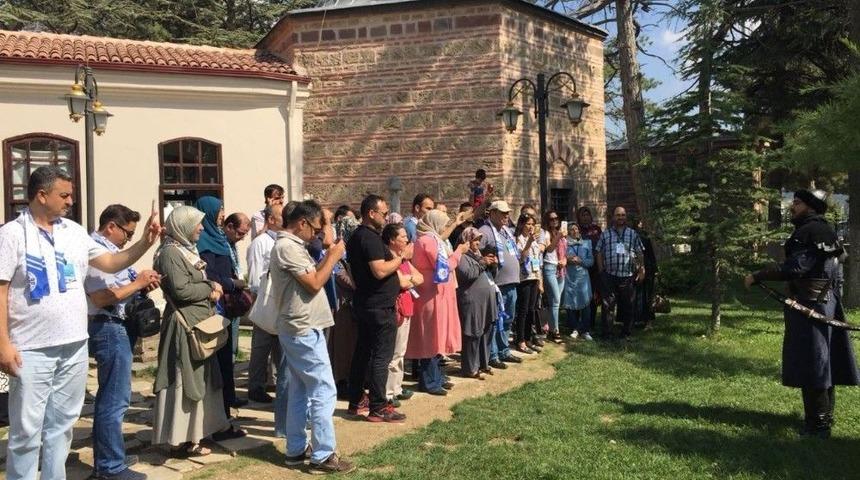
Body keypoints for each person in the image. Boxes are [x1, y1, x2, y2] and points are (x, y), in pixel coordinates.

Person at [0, 166, 161, 480]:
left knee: (61, 425)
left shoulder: (73, 232)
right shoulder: (11, 234)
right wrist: (3, 343)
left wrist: (145, 242)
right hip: (31, 348)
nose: (70, 200)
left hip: (74, 343)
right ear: (41, 195)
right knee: (26, 431)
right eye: (64, 195)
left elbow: (112, 261)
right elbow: (1, 289)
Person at [744, 189, 860, 439]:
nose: (792, 207)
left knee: (815, 362)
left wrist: (758, 276)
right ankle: (823, 419)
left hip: (811, 305)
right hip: (821, 302)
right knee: (822, 362)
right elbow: (838, 261)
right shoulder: (822, 229)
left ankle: (818, 426)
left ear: (810, 205)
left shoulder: (812, 230)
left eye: (797, 203)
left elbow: (798, 267)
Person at [151, 205, 245, 456]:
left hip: (198, 325)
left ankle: (197, 433)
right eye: (196, 224)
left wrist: (208, 285)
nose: (201, 228)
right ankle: (180, 440)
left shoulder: (185, 251)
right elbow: (180, 290)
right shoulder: (170, 254)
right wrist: (210, 287)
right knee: (184, 381)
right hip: (184, 328)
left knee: (201, 381)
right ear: (183, 226)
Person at [270, 200, 355, 474]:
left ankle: (296, 449)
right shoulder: (286, 247)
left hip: (302, 327)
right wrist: (333, 254)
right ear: (302, 223)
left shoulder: (294, 246)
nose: (318, 234)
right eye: (316, 229)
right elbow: (314, 282)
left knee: (300, 391)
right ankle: (323, 455)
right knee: (323, 390)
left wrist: (328, 235)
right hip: (301, 329)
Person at [85, 205, 162, 480]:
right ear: (111, 227)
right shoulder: (95, 251)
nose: (128, 240)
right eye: (127, 234)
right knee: (114, 400)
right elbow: (101, 297)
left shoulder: (113, 253)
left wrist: (143, 283)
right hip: (108, 327)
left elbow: (125, 282)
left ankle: (109, 458)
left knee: (115, 398)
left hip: (120, 327)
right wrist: (137, 282)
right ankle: (110, 467)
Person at [346, 194, 408, 422]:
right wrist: (400, 259)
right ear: (371, 213)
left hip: (366, 303)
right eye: (383, 213)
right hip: (379, 307)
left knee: (363, 352)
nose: (385, 217)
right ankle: (378, 406)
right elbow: (380, 270)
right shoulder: (369, 238)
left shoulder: (358, 237)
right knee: (381, 356)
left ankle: (356, 400)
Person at [194, 197, 248, 415]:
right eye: (219, 211)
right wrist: (231, 283)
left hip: (226, 306)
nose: (222, 214)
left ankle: (227, 404)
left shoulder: (218, 238)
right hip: (213, 307)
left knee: (227, 357)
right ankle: (218, 412)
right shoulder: (203, 241)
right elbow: (209, 273)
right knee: (217, 360)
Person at [407, 210, 468, 394]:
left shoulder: (432, 238)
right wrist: (459, 252)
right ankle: (430, 381)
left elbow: (442, 236)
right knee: (431, 337)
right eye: (441, 223)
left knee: (438, 336)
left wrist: (455, 223)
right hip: (430, 296)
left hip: (438, 295)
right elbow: (443, 266)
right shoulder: (427, 241)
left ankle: (437, 377)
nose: (443, 227)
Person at [245, 204, 285, 404]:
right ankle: (256, 386)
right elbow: (254, 274)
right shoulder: (260, 242)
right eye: (280, 216)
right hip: (264, 298)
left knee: (280, 347)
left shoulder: (283, 241)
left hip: (281, 301)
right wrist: (256, 296)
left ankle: (277, 382)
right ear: (270, 219)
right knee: (261, 347)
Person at [477, 200, 523, 369]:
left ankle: (504, 350)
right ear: (493, 213)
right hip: (497, 284)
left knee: (508, 319)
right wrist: (484, 260)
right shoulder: (485, 231)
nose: (506, 216)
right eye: (503, 213)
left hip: (511, 282)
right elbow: (474, 250)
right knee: (496, 320)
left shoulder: (505, 231)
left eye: (507, 213)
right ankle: (493, 354)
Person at [382, 223, 423, 407]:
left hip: (407, 307)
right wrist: (408, 281)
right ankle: (389, 392)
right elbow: (402, 283)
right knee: (394, 353)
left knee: (401, 352)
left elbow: (419, 278)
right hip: (396, 310)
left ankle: (397, 387)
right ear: (392, 240)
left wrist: (409, 280)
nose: (407, 240)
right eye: (403, 237)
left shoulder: (403, 260)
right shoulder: (390, 259)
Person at [595, 206, 645, 339]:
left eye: (623, 215)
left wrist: (641, 270)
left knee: (628, 305)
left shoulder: (632, 234)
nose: (621, 217)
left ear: (626, 217)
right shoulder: (606, 234)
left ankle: (626, 333)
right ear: (613, 217)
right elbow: (599, 251)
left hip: (627, 275)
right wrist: (601, 270)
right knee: (607, 305)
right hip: (609, 275)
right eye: (618, 215)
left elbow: (640, 252)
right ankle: (607, 333)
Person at [455, 227, 498, 379]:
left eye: (479, 240)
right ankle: (470, 368)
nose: (478, 243)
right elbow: (467, 274)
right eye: (475, 240)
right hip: (471, 301)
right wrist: (483, 263)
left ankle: (483, 364)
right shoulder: (461, 255)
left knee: (486, 331)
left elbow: (489, 274)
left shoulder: (478, 254)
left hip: (486, 300)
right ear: (466, 240)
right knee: (473, 333)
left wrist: (492, 265)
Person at [514, 214, 544, 354]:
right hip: (524, 278)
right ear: (521, 225)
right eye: (527, 224)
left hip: (534, 277)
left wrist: (539, 280)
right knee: (523, 310)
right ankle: (520, 340)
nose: (530, 226)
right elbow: (521, 257)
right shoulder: (518, 239)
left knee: (532, 310)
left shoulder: (535, 240)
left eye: (532, 223)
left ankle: (528, 338)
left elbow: (537, 260)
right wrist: (528, 243)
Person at [563, 223, 594, 340]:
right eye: (571, 229)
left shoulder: (587, 243)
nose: (574, 231)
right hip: (569, 276)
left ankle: (586, 330)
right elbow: (560, 257)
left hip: (583, 278)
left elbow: (591, 262)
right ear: (568, 232)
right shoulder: (564, 243)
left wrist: (581, 261)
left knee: (585, 303)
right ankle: (574, 328)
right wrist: (568, 260)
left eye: (576, 228)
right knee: (571, 303)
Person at [540, 210, 566, 343]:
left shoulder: (562, 233)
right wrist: (559, 236)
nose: (554, 221)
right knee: (555, 299)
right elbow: (549, 249)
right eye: (551, 219)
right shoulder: (544, 233)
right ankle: (555, 331)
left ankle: (550, 329)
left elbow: (565, 251)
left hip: (561, 268)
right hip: (550, 267)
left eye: (556, 218)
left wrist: (565, 260)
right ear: (547, 221)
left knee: (555, 302)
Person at [577, 207, 603, 335]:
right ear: (579, 217)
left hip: (594, 268)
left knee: (592, 295)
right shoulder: (577, 231)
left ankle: (590, 322)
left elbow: (601, 247)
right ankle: (576, 323)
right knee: (580, 294)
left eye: (587, 215)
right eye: (583, 215)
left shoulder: (596, 229)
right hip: (580, 267)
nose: (585, 217)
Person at [633, 220, 658, 329]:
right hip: (636, 269)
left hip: (647, 269)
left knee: (646, 296)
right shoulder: (632, 237)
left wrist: (653, 270)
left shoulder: (645, 237)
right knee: (639, 296)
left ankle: (647, 321)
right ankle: (641, 320)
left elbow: (650, 255)